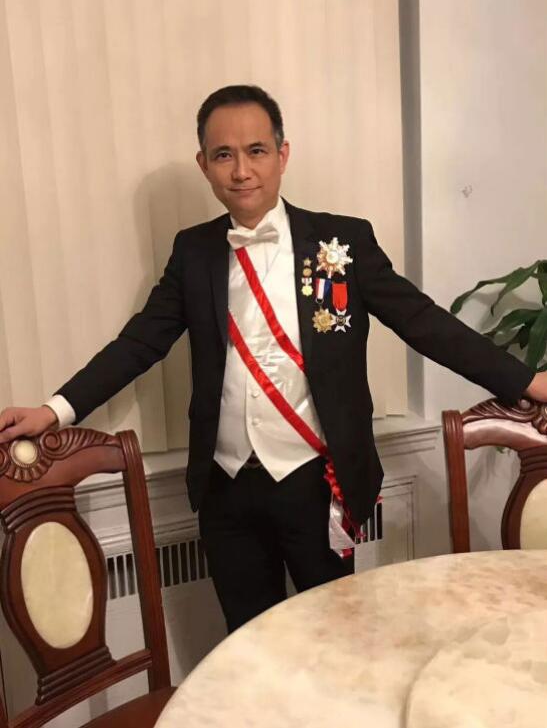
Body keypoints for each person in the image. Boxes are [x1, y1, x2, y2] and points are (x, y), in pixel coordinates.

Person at [1, 85, 546, 633]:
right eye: (224, 155)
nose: (241, 170)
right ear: (204, 165)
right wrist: (55, 410)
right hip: (225, 488)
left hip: (318, 483)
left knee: (337, 635)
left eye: (256, 150)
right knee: (246, 641)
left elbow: (424, 323)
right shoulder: (193, 252)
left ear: (282, 155)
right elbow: (140, 343)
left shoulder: (342, 242)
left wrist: (526, 382)